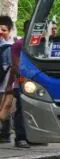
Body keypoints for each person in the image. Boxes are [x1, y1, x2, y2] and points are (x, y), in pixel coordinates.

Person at [0, 16, 30, 148]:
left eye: (3, 29)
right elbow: (14, 66)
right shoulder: (17, 45)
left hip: (14, 82)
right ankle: (17, 136)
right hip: (16, 82)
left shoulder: (12, 45)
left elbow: (11, 67)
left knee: (11, 107)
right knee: (16, 109)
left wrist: (8, 85)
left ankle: (7, 133)